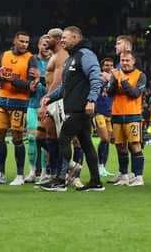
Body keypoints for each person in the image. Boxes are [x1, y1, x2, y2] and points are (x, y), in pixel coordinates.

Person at [39, 26, 104, 192]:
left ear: (75, 37)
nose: (62, 40)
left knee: (63, 140)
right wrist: (49, 97)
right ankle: (96, 182)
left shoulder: (85, 55)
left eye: (65, 37)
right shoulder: (71, 58)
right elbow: (65, 86)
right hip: (75, 108)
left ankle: (60, 181)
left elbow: (96, 78)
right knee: (87, 144)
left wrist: (91, 100)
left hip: (79, 109)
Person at [0, 31, 37, 186]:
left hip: (19, 103)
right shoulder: (5, 55)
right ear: (15, 40)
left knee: (17, 139)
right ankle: (0, 174)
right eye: (21, 41)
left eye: (27, 42)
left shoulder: (30, 59)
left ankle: (20, 175)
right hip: (2, 101)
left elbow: (31, 85)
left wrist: (12, 80)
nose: (24, 45)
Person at [105, 50, 147, 187]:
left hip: (133, 115)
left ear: (133, 61)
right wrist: (113, 81)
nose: (124, 63)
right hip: (116, 114)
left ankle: (138, 177)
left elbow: (135, 93)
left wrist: (122, 80)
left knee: (135, 145)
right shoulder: (115, 74)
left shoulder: (140, 76)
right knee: (120, 147)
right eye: (122, 60)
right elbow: (109, 93)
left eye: (127, 60)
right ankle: (124, 176)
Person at [35, 28, 66, 186]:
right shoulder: (54, 56)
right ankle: (55, 170)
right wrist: (40, 80)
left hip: (56, 100)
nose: (46, 40)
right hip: (52, 99)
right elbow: (49, 78)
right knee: (41, 137)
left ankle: (60, 173)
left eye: (49, 37)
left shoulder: (61, 56)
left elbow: (58, 81)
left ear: (58, 39)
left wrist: (46, 100)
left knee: (57, 139)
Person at [25, 35, 50, 182]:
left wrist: (41, 77)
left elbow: (55, 82)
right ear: (39, 45)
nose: (46, 47)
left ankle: (45, 172)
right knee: (32, 138)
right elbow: (28, 80)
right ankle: (32, 171)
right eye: (43, 44)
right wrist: (31, 87)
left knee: (46, 139)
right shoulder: (32, 60)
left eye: (48, 44)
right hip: (33, 104)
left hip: (48, 106)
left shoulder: (55, 61)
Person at [96, 57, 115, 176]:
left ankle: (103, 167)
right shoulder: (98, 79)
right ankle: (100, 166)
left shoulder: (115, 80)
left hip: (110, 113)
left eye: (111, 65)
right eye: (106, 65)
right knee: (105, 139)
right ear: (102, 67)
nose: (109, 67)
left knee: (108, 141)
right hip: (99, 112)